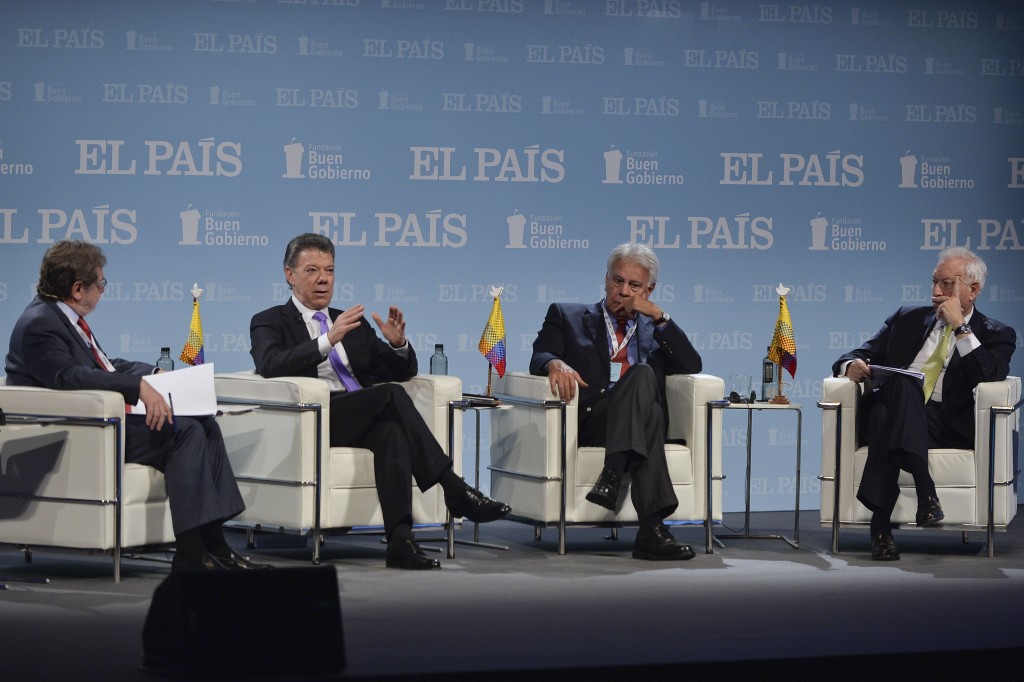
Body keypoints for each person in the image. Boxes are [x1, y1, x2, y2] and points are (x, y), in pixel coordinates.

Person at [250, 233, 511, 570]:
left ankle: (401, 542)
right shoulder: (269, 320)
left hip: (359, 415)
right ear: (290, 275)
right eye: (312, 270)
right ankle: (453, 487)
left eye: (329, 270)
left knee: (392, 432)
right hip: (314, 419)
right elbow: (270, 364)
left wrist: (399, 344)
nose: (323, 278)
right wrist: (327, 341)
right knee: (389, 396)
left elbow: (400, 371)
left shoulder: (352, 323)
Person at [5, 241, 265, 572]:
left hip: (99, 420)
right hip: (77, 431)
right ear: (76, 289)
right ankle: (190, 551)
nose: (102, 290)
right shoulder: (39, 323)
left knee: (205, 425)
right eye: (100, 284)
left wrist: (150, 374)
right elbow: (68, 377)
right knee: (184, 432)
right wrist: (137, 388)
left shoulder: (61, 316)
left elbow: (101, 365)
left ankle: (216, 545)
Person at [833, 247, 1016, 561]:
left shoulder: (997, 333)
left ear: (973, 290)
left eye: (946, 284)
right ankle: (925, 489)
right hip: (900, 410)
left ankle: (881, 529)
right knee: (901, 388)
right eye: (934, 282)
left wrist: (961, 328)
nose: (935, 292)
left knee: (884, 419)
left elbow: (988, 375)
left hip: (946, 423)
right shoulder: (907, 318)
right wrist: (849, 367)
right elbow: (856, 354)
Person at [530, 242, 703, 561]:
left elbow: (691, 365)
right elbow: (540, 354)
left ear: (649, 290)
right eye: (617, 280)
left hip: (638, 423)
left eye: (634, 285)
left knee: (641, 377)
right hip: (594, 419)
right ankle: (652, 530)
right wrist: (555, 363)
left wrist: (659, 316)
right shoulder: (567, 316)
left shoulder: (655, 328)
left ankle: (614, 477)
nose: (622, 291)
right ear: (605, 279)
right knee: (644, 389)